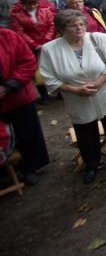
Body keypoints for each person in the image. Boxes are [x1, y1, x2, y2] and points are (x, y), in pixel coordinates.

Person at [39, 10, 106, 184]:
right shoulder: (50, 49)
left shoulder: (98, 39)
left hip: (103, 92)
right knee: (85, 132)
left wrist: (98, 82)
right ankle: (91, 164)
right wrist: (74, 89)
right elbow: (48, 77)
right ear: (62, 29)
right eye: (73, 25)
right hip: (76, 98)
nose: (80, 28)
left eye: (82, 24)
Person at [0, 28, 50, 186]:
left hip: (17, 98)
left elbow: (28, 61)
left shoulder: (8, 36)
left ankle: (29, 168)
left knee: (26, 133)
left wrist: (8, 86)